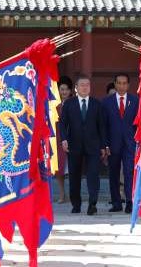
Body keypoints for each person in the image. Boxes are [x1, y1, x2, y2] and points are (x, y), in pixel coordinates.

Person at [59, 75, 106, 215]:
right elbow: (63, 123)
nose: (85, 87)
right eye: (82, 85)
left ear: (90, 88)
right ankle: (76, 204)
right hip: (74, 145)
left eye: (87, 85)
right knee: (74, 176)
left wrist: (104, 145)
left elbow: (101, 126)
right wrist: (64, 139)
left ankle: (92, 203)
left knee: (93, 175)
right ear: (76, 88)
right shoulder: (69, 104)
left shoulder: (97, 104)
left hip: (93, 145)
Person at [102, 73, 138, 213]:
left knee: (129, 173)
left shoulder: (136, 101)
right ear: (115, 84)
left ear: (128, 85)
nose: (122, 86)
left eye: (124, 83)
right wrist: (105, 145)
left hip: (130, 143)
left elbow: (139, 124)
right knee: (113, 174)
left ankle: (130, 201)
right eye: (119, 83)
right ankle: (116, 202)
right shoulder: (106, 102)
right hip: (112, 144)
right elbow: (103, 125)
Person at [55, 76, 74, 204]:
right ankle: (62, 194)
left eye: (67, 89)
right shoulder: (54, 105)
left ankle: (73, 194)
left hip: (73, 139)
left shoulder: (75, 103)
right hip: (58, 139)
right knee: (59, 169)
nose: (64, 92)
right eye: (62, 89)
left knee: (73, 168)